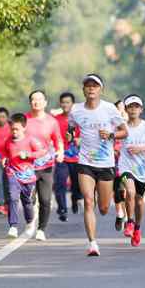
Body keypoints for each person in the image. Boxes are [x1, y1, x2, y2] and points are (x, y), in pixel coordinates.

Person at [68, 73, 127, 256]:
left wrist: (110, 135)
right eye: (88, 85)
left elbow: (124, 132)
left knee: (103, 208)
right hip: (85, 162)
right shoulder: (76, 110)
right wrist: (70, 137)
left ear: (101, 89)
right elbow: (70, 127)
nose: (91, 88)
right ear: (83, 89)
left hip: (106, 164)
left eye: (95, 85)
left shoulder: (109, 109)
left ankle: (114, 212)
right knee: (88, 201)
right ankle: (92, 243)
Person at [116, 95, 145, 247]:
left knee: (140, 200)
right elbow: (111, 139)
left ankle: (137, 228)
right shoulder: (121, 126)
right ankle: (129, 221)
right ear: (126, 109)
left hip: (142, 168)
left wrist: (142, 148)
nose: (133, 109)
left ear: (141, 109)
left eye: (136, 106)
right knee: (130, 191)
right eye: (130, 106)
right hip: (125, 166)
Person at [25, 90, 63, 241]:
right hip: (27, 165)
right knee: (28, 197)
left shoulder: (51, 121)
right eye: (33, 99)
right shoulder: (24, 120)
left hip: (46, 164)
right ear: (30, 103)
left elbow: (58, 139)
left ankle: (41, 229)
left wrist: (60, 151)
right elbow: (15, 137)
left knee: (45, 199)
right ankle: (30, 223)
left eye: (40, 99)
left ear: (45, 102)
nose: (37, 102)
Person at [4, 113, 46, 238]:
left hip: (28, 176)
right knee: (12, 197)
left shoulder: (31, 140)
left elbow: (42, 151)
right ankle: (13, 226)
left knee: (27, 201)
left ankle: (29, 221)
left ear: (24, 127)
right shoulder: (8, 141)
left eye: (16, 129)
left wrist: (29, 155)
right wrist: (4, 159)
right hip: (13, 173)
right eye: (12, 129)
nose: (14, 132)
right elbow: (5, 153)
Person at [53, 92, 82, 221]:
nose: (65, 105)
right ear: (60, 104)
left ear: (72, 104)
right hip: (61, 157)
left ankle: (75, 199)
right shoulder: (55, 120)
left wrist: (79, 139)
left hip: (77, 157)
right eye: (63, 102)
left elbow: (87, 134)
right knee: (60, 183)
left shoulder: (79, 119)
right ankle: (62, 209)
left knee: (77, 185)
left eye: (68, 102)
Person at [112, 99, 129, 232]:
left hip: (129, 162)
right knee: (117, 190)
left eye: (124, 108)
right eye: (119, 108)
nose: (121, 111)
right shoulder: (111, 124)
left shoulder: (133, 125)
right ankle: (119, 214)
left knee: (128, 190)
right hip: (113, 161)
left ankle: (129, 219)